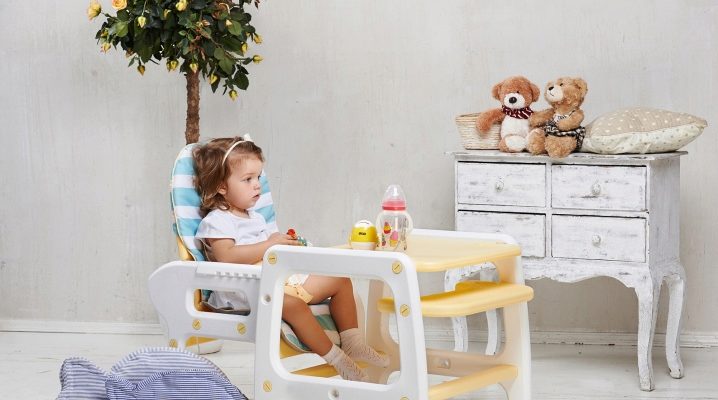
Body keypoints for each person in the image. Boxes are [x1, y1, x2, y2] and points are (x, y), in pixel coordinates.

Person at [194, 136, 388, 382]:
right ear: (221, 186)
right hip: (245, 293)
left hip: (279, 284)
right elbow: (226, 257)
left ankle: (353, 342)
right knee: (293, 306)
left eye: (258, 177)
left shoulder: (254, 218)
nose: (257, 186)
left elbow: (269, 252)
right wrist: (268, 245)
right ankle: (337, 359)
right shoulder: (217, 221)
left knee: (340, 280)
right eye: (247, 179)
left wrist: (282, 243)